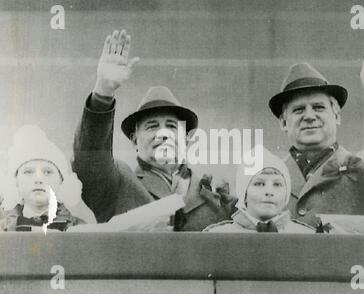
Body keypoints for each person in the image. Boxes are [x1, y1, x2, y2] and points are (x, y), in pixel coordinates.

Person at [73, 29, 236, 231]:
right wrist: (103, 93)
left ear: (186, 138)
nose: (163, 133)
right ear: (134, 140)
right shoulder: (118, 182)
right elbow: (90, 160)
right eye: (152, 127)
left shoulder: (215, 191)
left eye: (171, 126)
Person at [268, 41, 364, 228]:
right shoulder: (265, 178)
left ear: (337, 115)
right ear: (283, 122)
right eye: (298, 110)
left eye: (318, 107)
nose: (309, 116)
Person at [0, 125, 95, 232]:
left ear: (61, 181)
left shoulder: (79, 229)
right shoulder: (3, 229)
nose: (38, 180)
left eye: (47, 172)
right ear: (16, 182)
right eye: (28, 172)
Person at [204, 146, 315, 233]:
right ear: (244, 194)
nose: (269, 192)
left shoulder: (308, 237)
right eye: (259, 184)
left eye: (277, 184)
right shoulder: (216, 236)